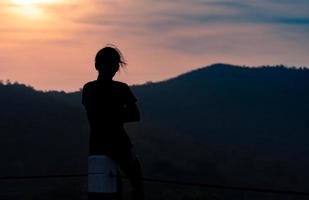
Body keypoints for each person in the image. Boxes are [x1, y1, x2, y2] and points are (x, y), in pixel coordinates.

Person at [82, 45, 144, 200]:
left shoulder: (89, 89)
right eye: (115, 65)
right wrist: (117, 115)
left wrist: (107, 115)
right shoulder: (121, 89)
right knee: (136, 183)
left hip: (97, 145)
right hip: (120, 144)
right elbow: (135, 115)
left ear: (96, 65)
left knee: (102, 190)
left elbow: (95, 116)